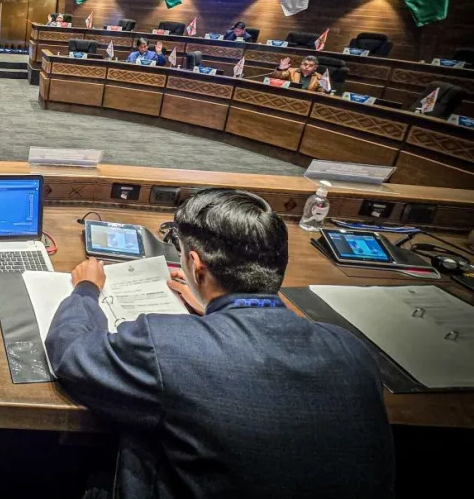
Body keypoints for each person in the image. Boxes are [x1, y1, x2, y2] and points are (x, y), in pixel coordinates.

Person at [45, 188, 393, 499]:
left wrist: (87, 289)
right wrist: (215, 310)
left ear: (196, 267)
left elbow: (72, 351)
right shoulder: (352, 351)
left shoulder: (167, 345)